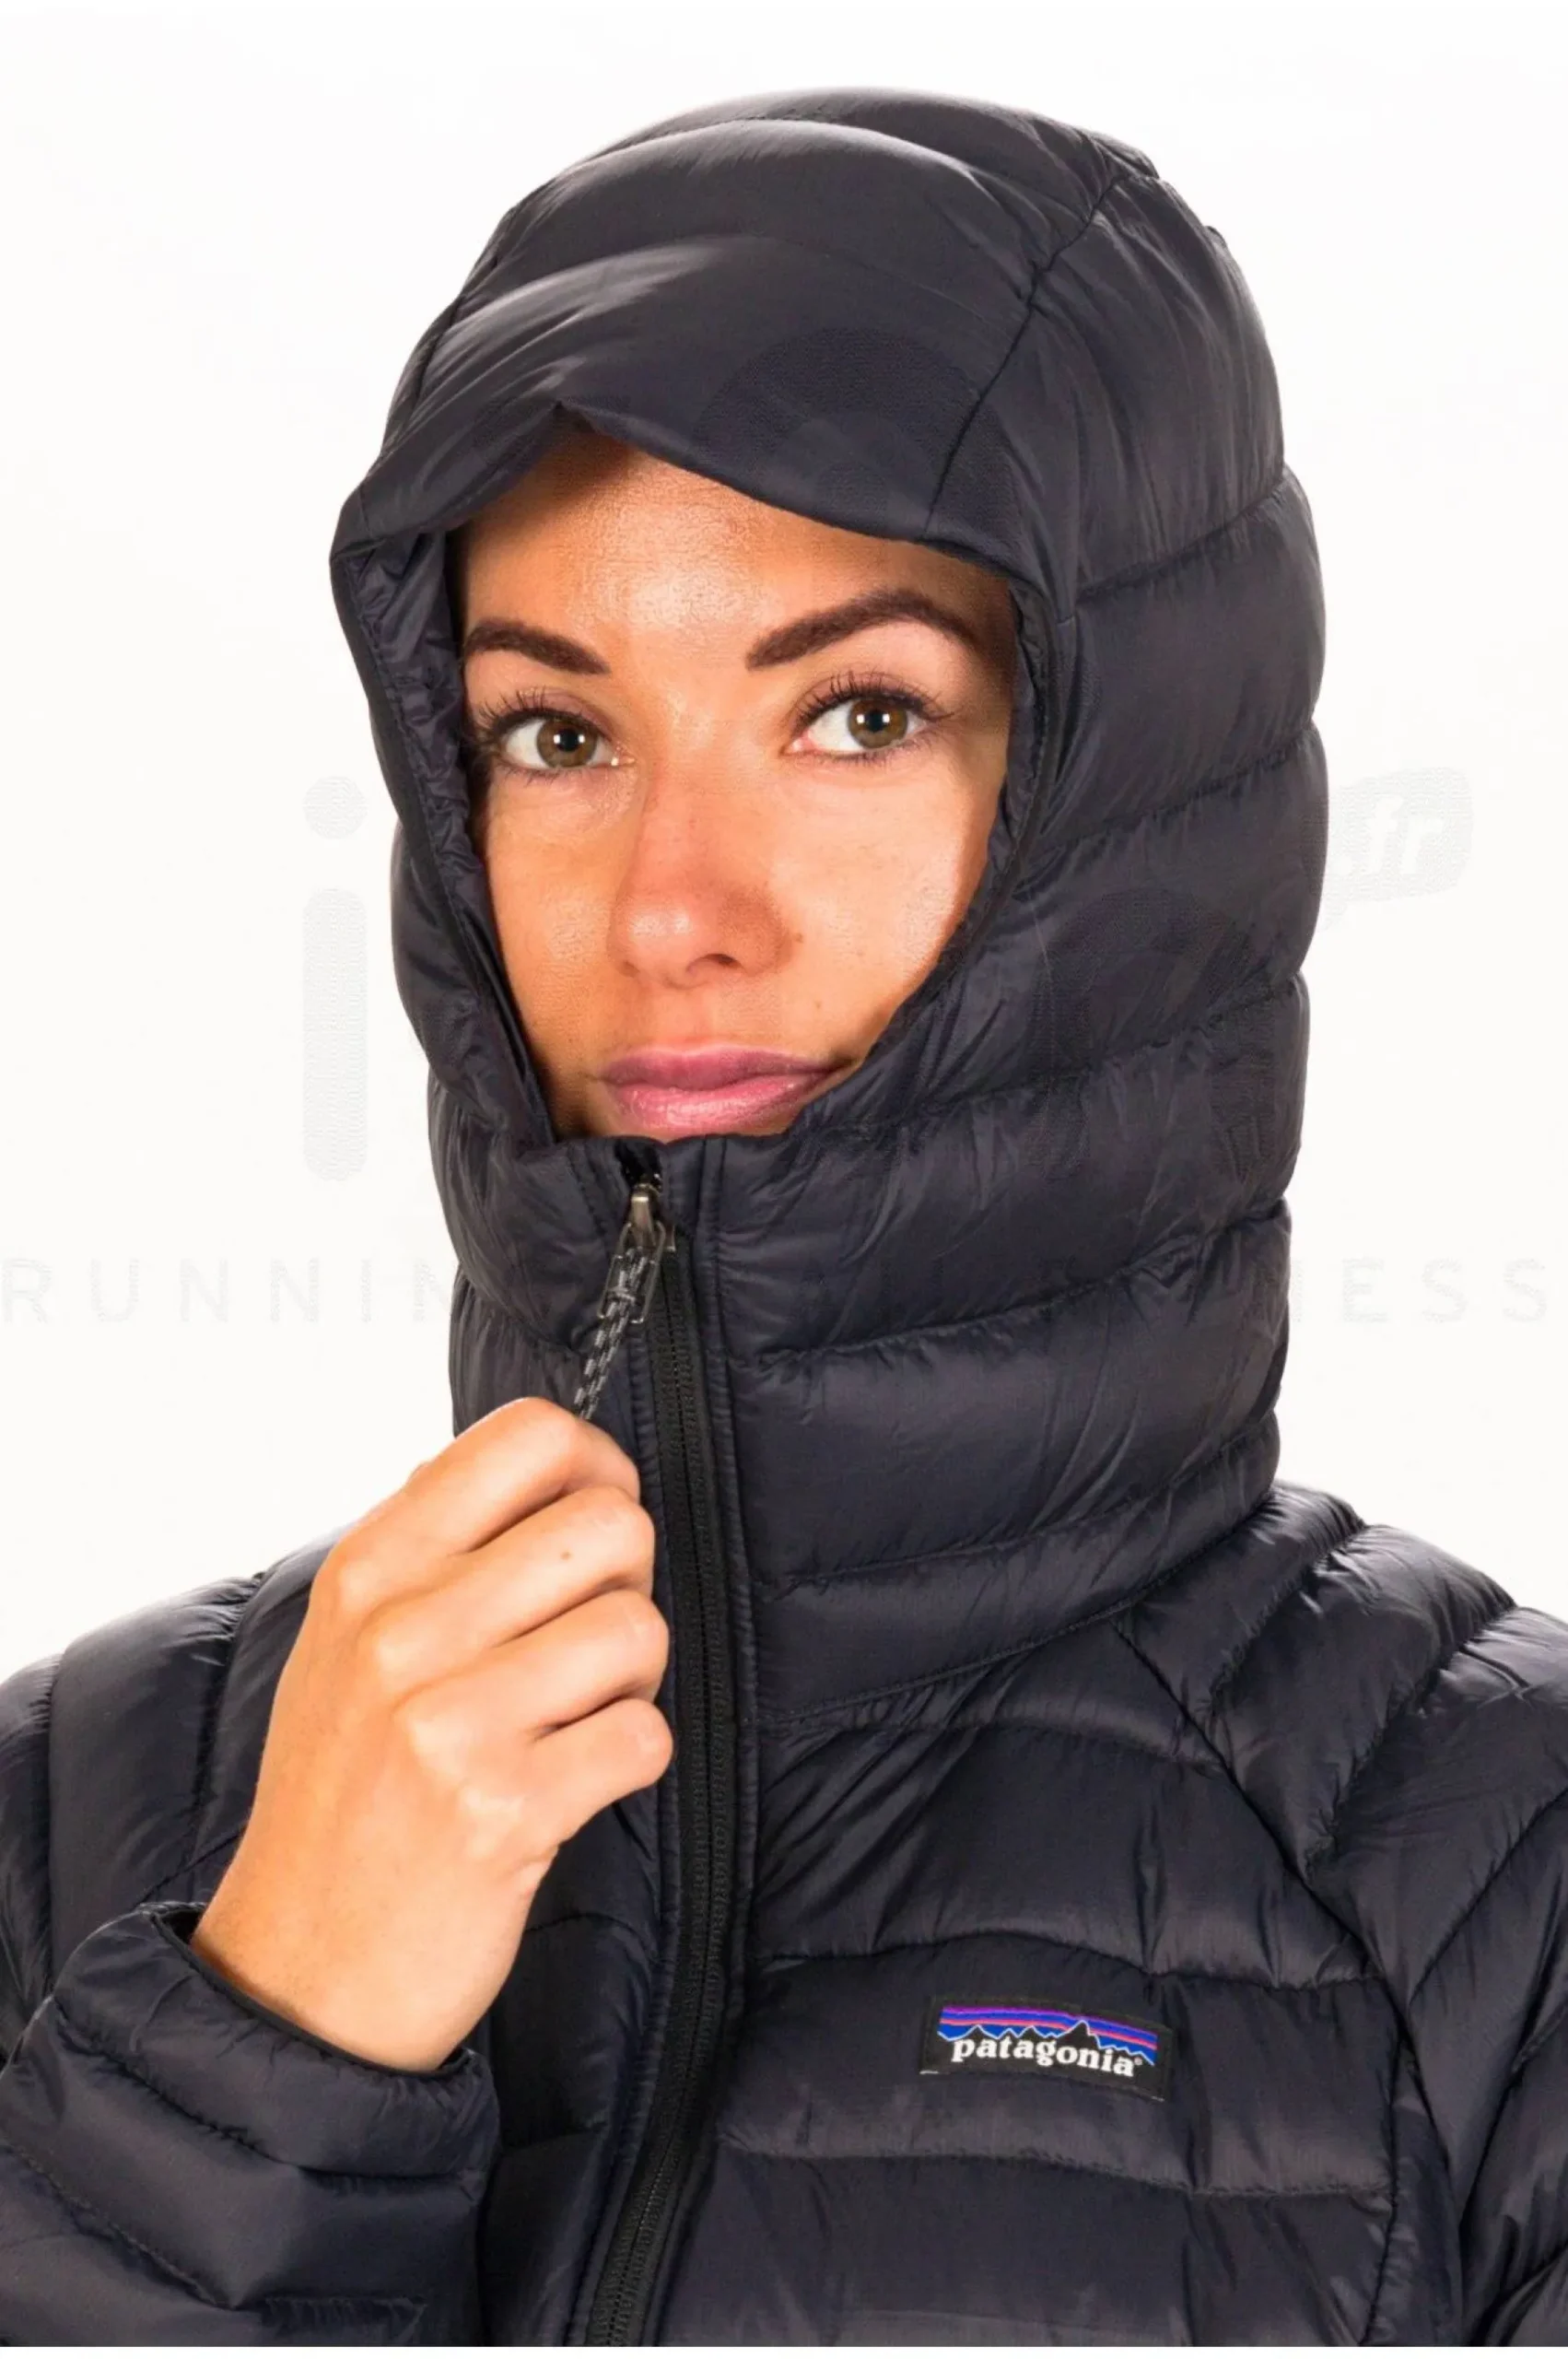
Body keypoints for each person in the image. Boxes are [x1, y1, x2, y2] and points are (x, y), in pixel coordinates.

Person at [1, 84, 1564, 2349]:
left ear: (1128, 792)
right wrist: (257, 2056)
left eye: (854, 713)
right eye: (555, 735)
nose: (671, 909)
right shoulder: (76, 1816)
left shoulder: (1496, 1881)